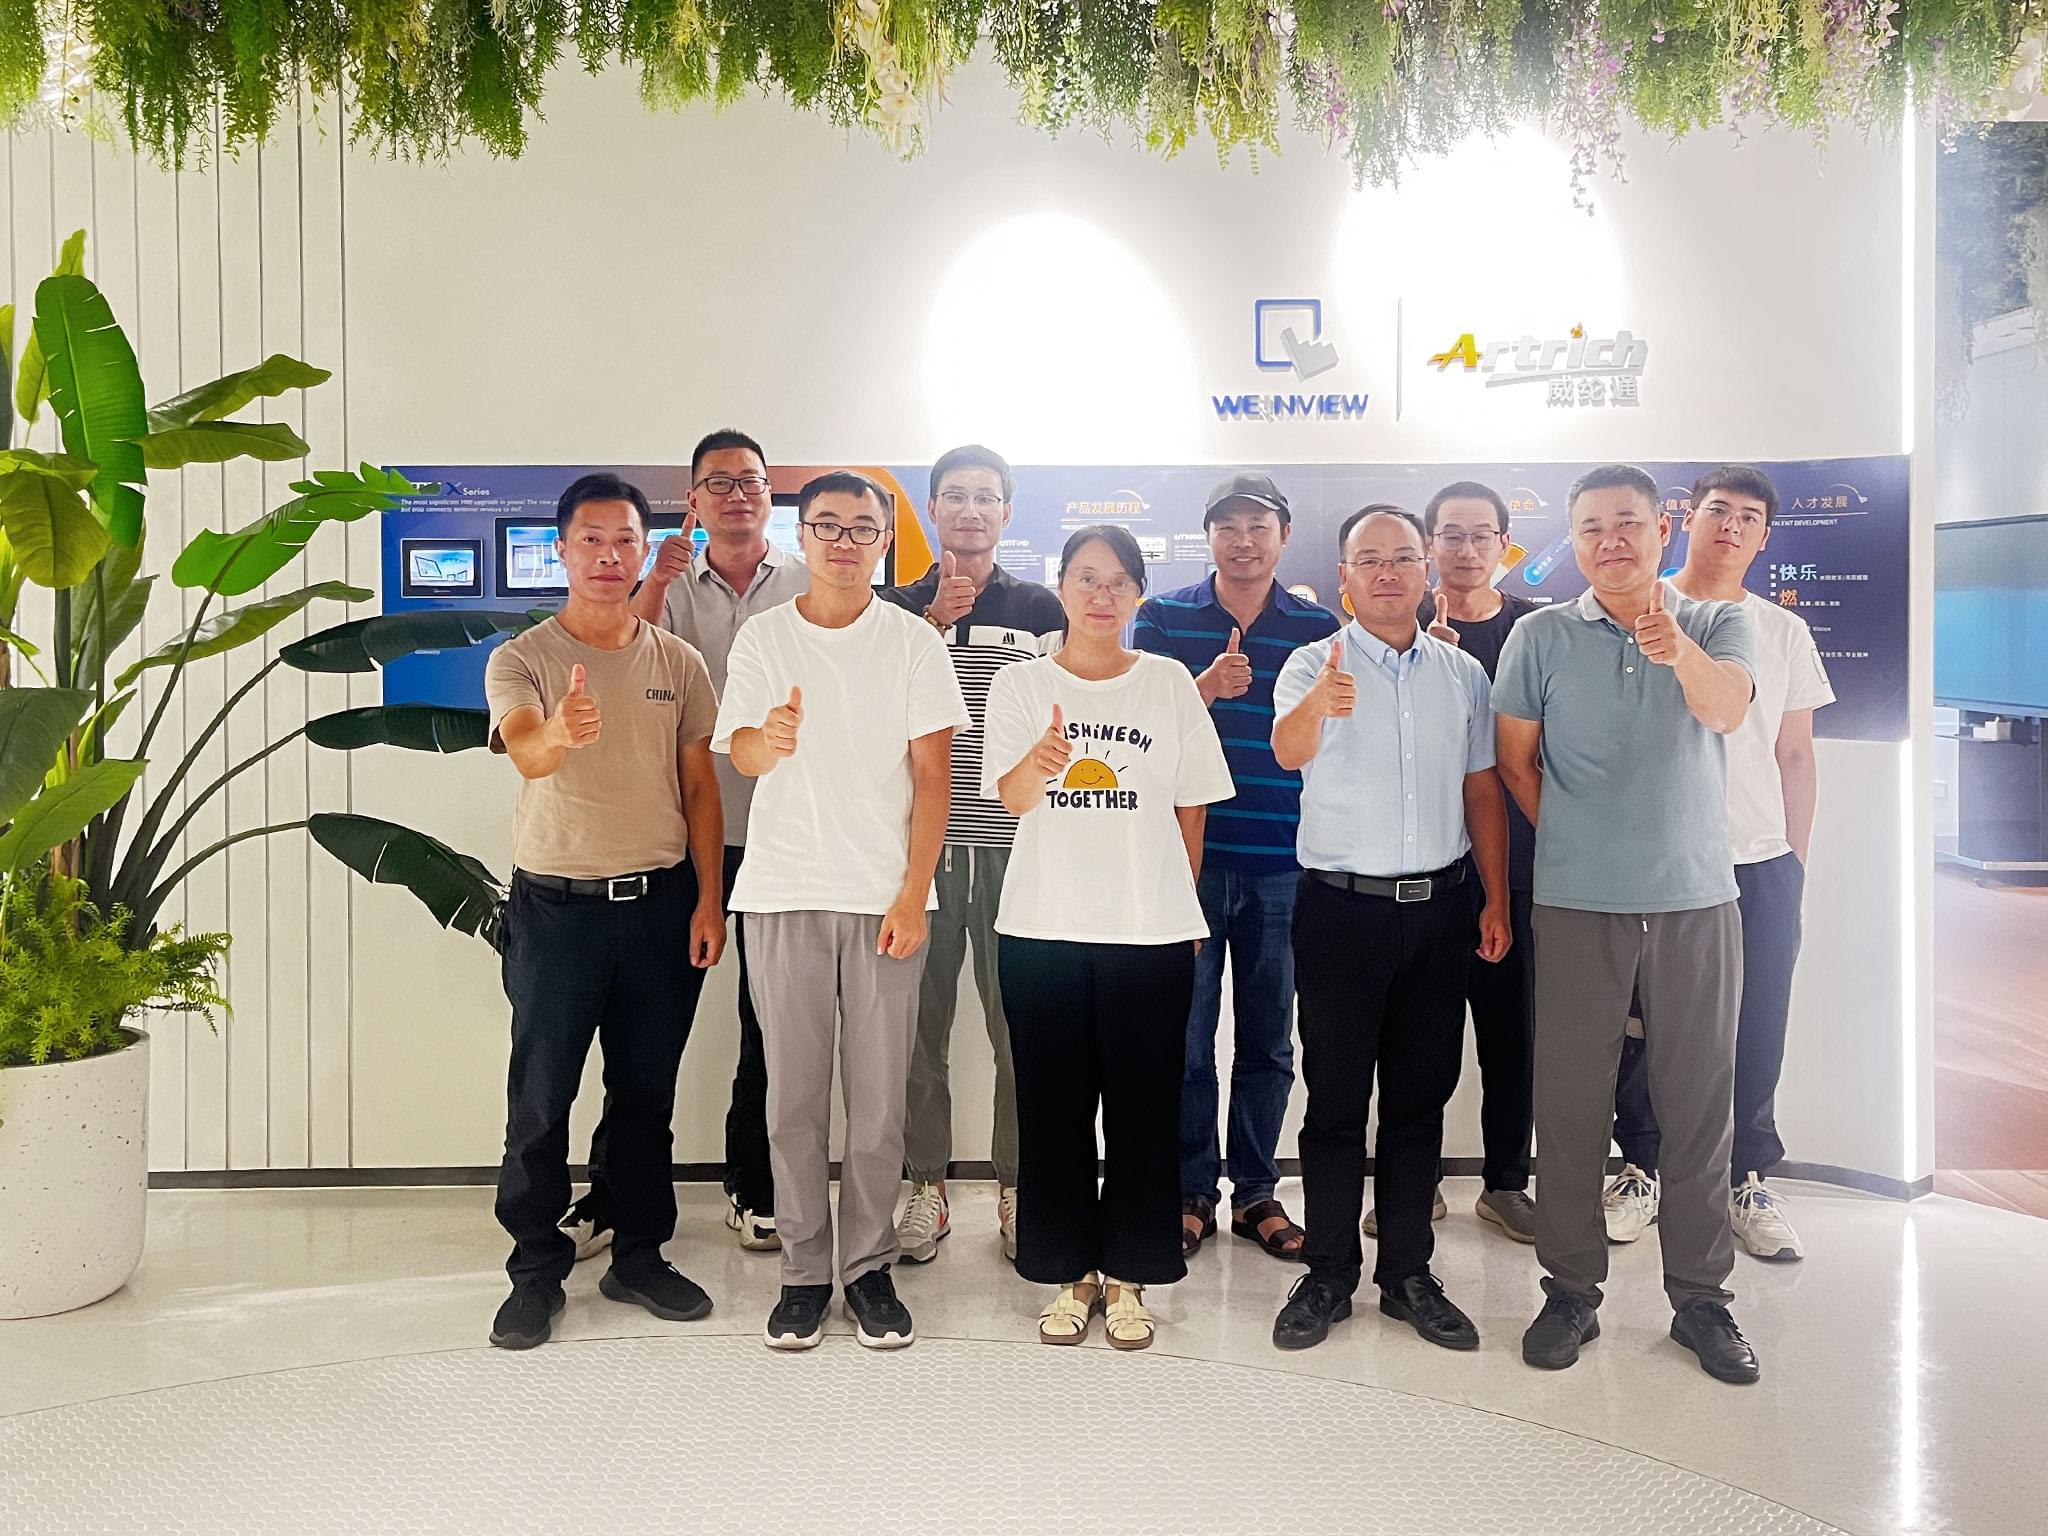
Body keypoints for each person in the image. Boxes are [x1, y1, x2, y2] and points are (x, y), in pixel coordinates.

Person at [1493, 463, 1764, 1384]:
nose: (1611, 542)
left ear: (1662, 530)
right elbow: (1516, 761)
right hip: (1577, 903)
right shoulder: (1538, 635)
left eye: (1628, 524)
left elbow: (1725, 708)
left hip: (1696, 901)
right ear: (1572, 540)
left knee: (1698, 1107)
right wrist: (1581, 841)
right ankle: (1571, 1291)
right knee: (1571, 1106)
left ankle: (1701, 1299)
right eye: (1591, 528)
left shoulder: (1717, 621)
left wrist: (1675, 649)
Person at [714, 470, 967, 1351]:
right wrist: (769, 738)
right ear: (803, 534)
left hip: (883, 899)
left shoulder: (913, 642)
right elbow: (742, 754)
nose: (844, 541)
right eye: (827, 525)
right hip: (782, 892)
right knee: (791, 1100)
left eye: (863, 528)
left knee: (878, 1101)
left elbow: (934, 777)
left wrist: (915, 893)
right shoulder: (764, 636)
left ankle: (866, 1268)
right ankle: (801, 1271)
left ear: (884, 541)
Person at [483, 473, 729, 1350]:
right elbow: (526, 751)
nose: (609, 556)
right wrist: (561, 731)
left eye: (625, 540)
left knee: (644, 1097)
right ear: (562, 550)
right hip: (557, 911)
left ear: (644, 550)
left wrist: (709, 899)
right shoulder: (523, 659)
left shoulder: (679, 662)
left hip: (660, 907)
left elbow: (701, 788)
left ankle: (639, 1255)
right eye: (590, 539)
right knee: (541, 1100)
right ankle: (534, 1272)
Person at [552, 428, 808, 1260]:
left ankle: (753, 1185)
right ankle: (611, 1195)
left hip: (787, 834)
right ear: (692, 500)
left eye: (750, 481)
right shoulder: (661, 579)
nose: (736, 495)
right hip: (683, 832)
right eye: (717, 483)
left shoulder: (808, 582)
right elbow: (624, 658)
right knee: (645, 1037)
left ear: (769, 494)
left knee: (769, 1023)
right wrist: (657, 580)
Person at [1266, 506, 1512, 1354]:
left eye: (1402, 557)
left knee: (1419, 1101)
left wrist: (1495, 898)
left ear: (1425, 569)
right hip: (1340, 912)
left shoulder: (1462, 674)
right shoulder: (1312, 662)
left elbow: (1481, 790)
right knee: (1335, 1102)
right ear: (1344, 577)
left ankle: (1408, 1273)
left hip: (1441, 910)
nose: (1387, 573)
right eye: (1368, 560)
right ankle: (1328, 1272)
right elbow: (1286, 751)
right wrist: (1321, 706)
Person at [983, 524, 1234, 1351]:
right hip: (1042, 929)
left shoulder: (1167, 683)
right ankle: (1068, 1274)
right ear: (1060, 585)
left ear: (1137, 594)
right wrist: (1041, 760)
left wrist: (1179, 908)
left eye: (1118, 581)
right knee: (1052, 1110)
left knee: (1144, 1110)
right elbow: (1011, 799)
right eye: (1086, 578)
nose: (1101, 594)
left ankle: (1129, 1275)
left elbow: (1191, 808)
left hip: (1148, 931)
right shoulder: (1021, 684)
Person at [1604, 465, 1832, 1260]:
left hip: (1758, 862)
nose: (1731, 526)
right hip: (1656, 862)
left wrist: (1793, 864)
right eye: (1718, 510)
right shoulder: (1635, 608)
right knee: (1643, 1026)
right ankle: (1642, 1167)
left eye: (1748, 517)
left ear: (1764, 537)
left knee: (1758, 1020)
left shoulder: (1782, 632)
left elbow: (1794, 754)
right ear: (1684, 519)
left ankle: (1745, 1176)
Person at [1133, 472, 1339, 1264]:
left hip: (1284, 863)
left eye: (1259, 526)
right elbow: (1134, 722)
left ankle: (1255, 1191)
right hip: (1187, 861)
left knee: (1268, 1041)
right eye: (1228, 526)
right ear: (1209, 536)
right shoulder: (1164, 617)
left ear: (1283, 536)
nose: (1243, 540)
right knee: (1185, 1041)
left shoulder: (1317, 626)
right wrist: (1203, 689)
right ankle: (1190, 1191)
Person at [882, 445, 1066, 1265]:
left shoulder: (1039, 607)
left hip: (1013, 848)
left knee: (1015, 1028)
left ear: (1006, 513)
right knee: (915, 1031)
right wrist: (930, 624)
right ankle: (926, 1186)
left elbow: (1063, 713)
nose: (969, 509)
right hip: (913, 851)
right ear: (930, 509)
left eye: (985, 497)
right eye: (954, 495)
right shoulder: (891, 604)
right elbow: (872, 705)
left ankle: (1018, 1187)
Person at [1366, 481, 1544, 1245]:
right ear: (1429, 545)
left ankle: (1506, 1183)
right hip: (1425, 871)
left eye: (1481, 536)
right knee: (1412, 1040)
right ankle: (1413, 1185)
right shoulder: (1392, 632)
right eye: (1450, 536)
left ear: (1504, 545)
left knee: (1513, 1036)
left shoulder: (1538, 631)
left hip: (1522, 867)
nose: (1466, 551)